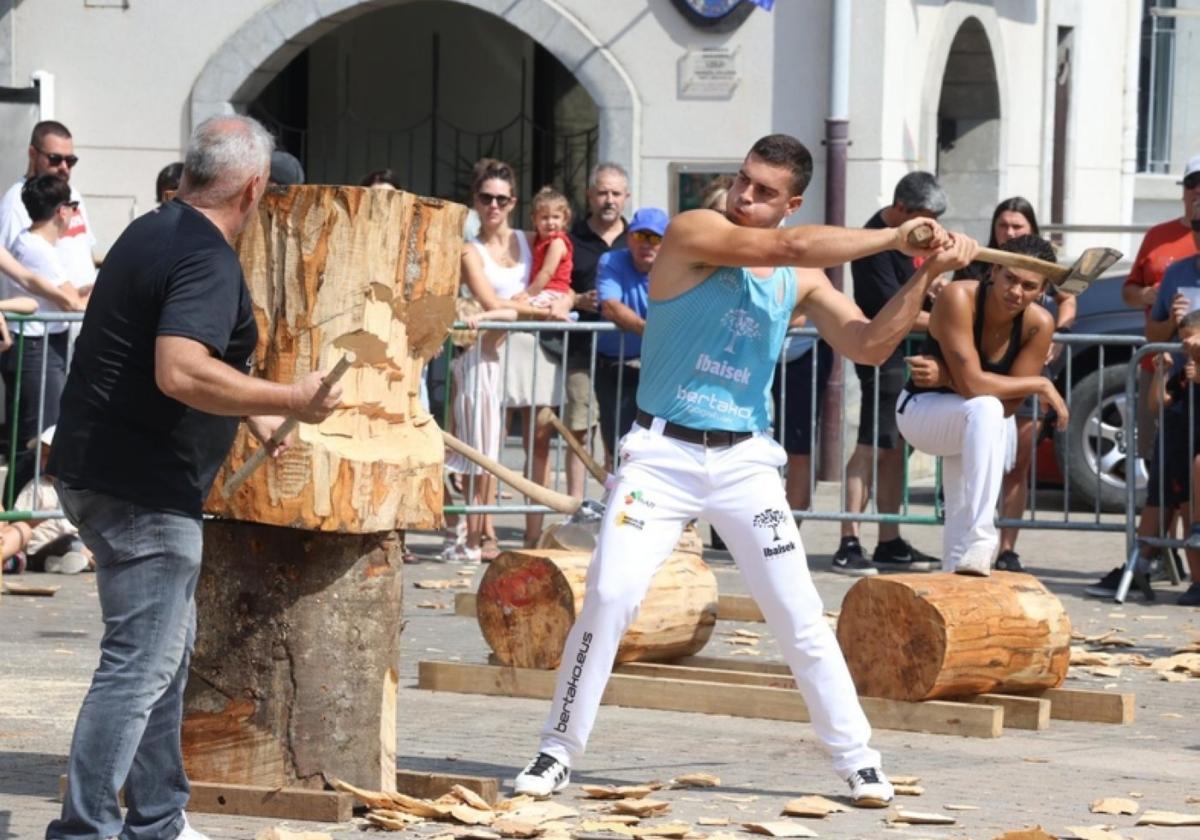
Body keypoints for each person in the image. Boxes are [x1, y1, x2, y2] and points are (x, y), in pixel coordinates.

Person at [511, 133, 967, 808]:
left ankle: (858, 759)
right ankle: (556, 750)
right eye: (743, 182)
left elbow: (870, 345)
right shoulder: (697, 231)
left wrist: (927, 273)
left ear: (793, 201)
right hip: (660, 454)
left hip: (745, 459)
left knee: (799, 614)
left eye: (763, 191)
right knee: (610, 595)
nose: (745, 197)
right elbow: (782, 247)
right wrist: (892, 238)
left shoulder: (805, 279)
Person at [44, 114, 342, 840]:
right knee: (139, 667)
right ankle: (84, 831)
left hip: (105, 473)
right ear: (253, 186)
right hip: (142, 490)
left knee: (163, 660)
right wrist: (290, 398)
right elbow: (179, 370)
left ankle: (157, 820)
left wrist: (258, 418)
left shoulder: (154, 230)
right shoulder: (208, 256)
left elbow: (183, 356)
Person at [896, 235, 1069, 575]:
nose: (1016, 292)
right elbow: (977, 388)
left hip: (974, 421)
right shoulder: (958, 296)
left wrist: (950, 377)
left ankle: (958, 584)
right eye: (1010, 278)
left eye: (1029, 286)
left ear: (1043, 290)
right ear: (994, 270)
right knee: (986, 408)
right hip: (921, 410)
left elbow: (1008, 406)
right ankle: (983, 537)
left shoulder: (1040, 323)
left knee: (961, 512)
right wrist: (1040, 383)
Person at [1086, 154, 1200, 597]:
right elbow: (1144, 313)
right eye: (1193, 183)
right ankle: (1145, 564)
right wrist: (1171, 323)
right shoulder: (1167, 251)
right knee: (1166, 474)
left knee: (1194, 474)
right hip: (1172, 382)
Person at [831, 172, 947, 576]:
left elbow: (920, 289)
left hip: (909, 355)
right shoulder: (876, 243)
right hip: (883, 355)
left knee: (896, 448)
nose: (931, 227)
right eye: (925, 218)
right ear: (901, 209)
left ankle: (889, 539)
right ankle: (848, 541)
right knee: (871, 445)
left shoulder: (916, 237)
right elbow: (892, 313)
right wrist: (947, 322)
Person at [459, 158, 573, 552]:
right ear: (475, 201)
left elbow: (562, 280)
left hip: (528, 350)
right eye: (486, 197)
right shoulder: (469, 251)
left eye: (502, 199)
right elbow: (489, 300)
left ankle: (532, 531)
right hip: (486, 354)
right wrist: (543, 310)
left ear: (513, 202)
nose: (494, 206)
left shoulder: (531, 238)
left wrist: (567, 300)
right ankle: (479, 531)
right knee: (484, 444)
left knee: (537, 442)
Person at [977, 199, 1077, 573]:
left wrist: (1059, 331)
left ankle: (1008, 547)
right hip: (984, 374)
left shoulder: (1048, 272)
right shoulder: (978, 261)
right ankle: (977, 541)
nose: (1010, 232)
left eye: (1018, 226)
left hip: (1030, 373)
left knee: (1017, 466)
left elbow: (1070, 300)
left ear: (1031, 229)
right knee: (982, 464)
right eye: (1003, 225)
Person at [2, 175, 92, 495]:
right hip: (36, 349)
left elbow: (58, 295)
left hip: (40, 347)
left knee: (37, 437)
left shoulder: (32, 246)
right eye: (73, 207)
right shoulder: (39, 249)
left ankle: (18, 521)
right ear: (62, 211)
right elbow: (71, 302)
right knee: (38, 438)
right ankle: (16, 520)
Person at [562, 164, 630, 497]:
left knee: (617, 436)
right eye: (602, 192)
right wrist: (577, 299)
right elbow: (555, 287)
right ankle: (576, 507)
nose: (609, 200)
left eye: (616, 193)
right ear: (590, 195)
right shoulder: (571, 239)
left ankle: (612, 508)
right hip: (580, 350)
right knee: (580, 430)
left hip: (624, 354)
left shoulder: (638, 240)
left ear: (626, 197)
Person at [442, 296, 518, 562]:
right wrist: (450, 432)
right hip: (465, 422)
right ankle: (467, 536)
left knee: (477, 481)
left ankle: (473, 542)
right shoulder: (459, 358)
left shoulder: (485, 345)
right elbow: (454, 398)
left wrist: (483, 318)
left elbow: (512, 315)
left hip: (482, 420)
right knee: (466, 482)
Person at [593, 208, 666, 468]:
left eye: (654, 238)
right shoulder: (611, 260)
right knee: (618, 449)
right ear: (629, 237)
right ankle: (616, 507)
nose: (646, 244)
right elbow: (610, 306)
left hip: (658, 370)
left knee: (656, 450)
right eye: (639, 236)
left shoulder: (675, 269)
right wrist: (652, 331)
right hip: (615, 369)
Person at [0, 120, 100, 292]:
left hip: (81, 314)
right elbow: (16, 270)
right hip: (46, 316)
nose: (64, 167)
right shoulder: (16, 202)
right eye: (55, 159)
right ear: (32, 154)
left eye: (70, 161)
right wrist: (70, 300)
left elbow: (85, 251)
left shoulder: (72, 194)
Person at [516, 186, 575, 309]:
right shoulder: (538, 240)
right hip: (543, 290)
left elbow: (547, 272)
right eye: (544, 217)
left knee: (518, 308)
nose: (550, 222)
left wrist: (528, 293)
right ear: (534, 219)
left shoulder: (557, 243)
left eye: (556, 217)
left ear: (565, 219)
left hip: (553, 292)